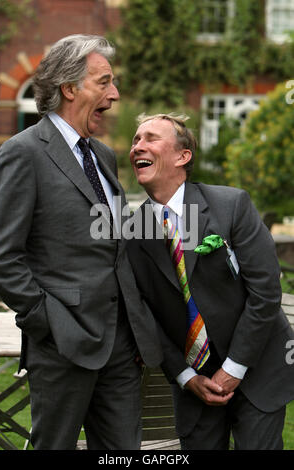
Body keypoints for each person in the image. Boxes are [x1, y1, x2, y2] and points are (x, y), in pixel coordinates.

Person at [0, 35, 163, 450]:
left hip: (121, 345)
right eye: (104, 82)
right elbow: (1, 255)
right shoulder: (23, 152)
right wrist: (45, 320)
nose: (115, 94)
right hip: (62, 344)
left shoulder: (103, 155)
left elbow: (112, 245)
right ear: (69, 89)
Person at [127, 112, 294, 450]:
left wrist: (235, 367)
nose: (137, 147)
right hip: (195, 384)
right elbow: (144, 314)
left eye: (150, 138)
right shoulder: (132, 232)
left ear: (182, 155)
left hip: (258, 365)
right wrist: (187, 378)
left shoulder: (231, 205)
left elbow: (265, 292)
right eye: (135, 140)